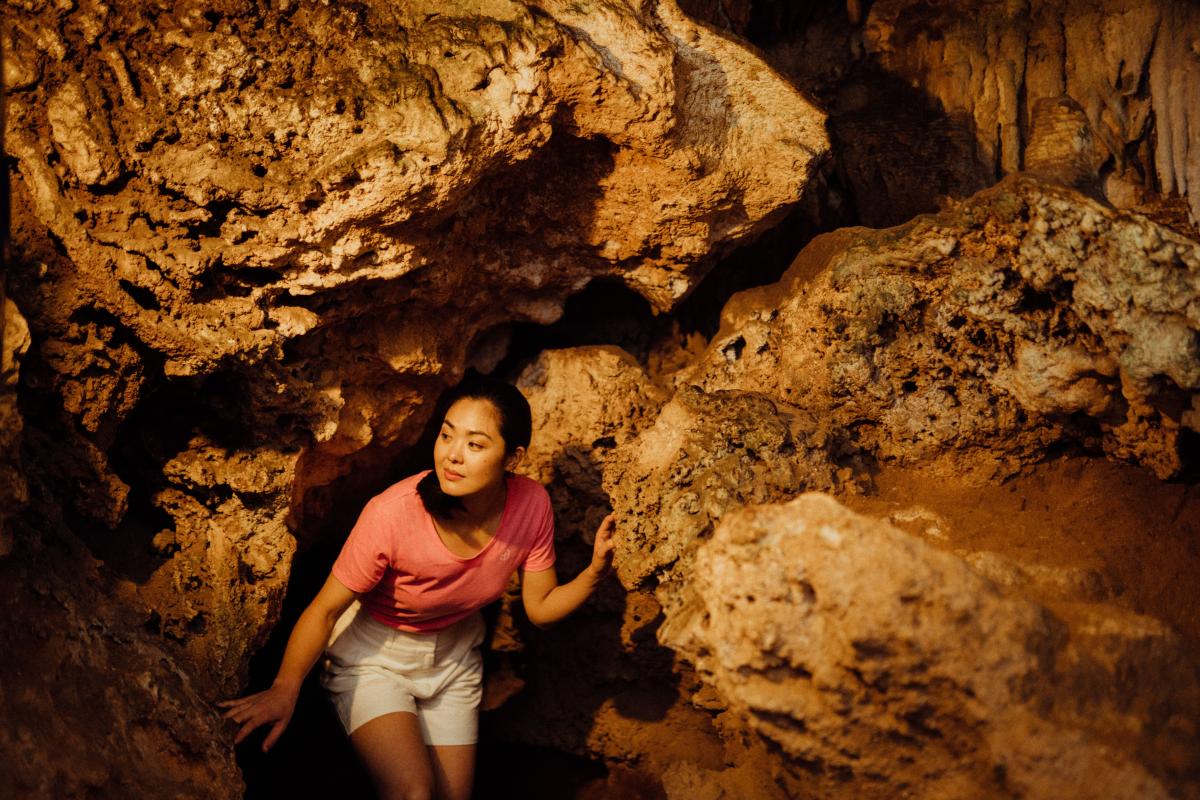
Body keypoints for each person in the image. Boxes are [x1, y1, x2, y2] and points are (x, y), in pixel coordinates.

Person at [219, 376, 616, 800]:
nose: (452, 455)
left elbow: (540, 609)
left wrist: (594, 571)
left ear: (513, 457)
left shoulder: (531, 503)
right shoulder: (392, 515)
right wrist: (285, 688)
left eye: (475, 445)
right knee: (413, 792)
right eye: (447, 435)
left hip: (455, 658)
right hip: (374, 658)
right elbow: (325, 611)